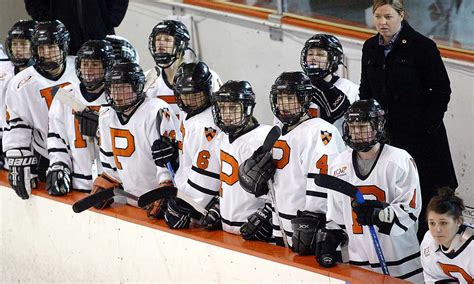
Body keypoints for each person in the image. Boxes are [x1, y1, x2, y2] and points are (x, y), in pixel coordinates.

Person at [358, 0, 458, 241]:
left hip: (422, 139)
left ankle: (431, 246)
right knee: (395, 190)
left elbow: (441, 90)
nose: (382, 22)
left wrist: (427, 126)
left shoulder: (423, 47)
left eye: (388, 17)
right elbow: (365, 91)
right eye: (378, 16)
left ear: (401, 15)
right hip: (387, 137)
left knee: (428, 191)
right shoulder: (370, 47)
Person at [316, 99, 423, 281]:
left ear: (377, 126)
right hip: (359, 260)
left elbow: (411, 209)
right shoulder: (338, 165)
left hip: (400, 262)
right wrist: (331, 237)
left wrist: (380, 214)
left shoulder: (399, 160)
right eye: (352, 126)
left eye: (363, 126)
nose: (357, 133)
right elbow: (337, 216)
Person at [239, 71, 345, 251]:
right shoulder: (277, 132)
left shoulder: (319, 131)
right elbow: (278, 184)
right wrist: (267, 206)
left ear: (305, 99)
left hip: (310, 228)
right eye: (280, 98)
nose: (283, 104)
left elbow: (321, 182)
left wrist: (314, 220)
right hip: (281, 224)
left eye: (290, 98)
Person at [3, 20, 79, 200]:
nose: (46, 54)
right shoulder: (21, 82)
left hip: (87, 153)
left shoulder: (80, 68)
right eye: (41, 48)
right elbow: (17, 123)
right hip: (46, 156)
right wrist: (18, 160)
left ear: (63, 46)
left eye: (51, 47)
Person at [93, 62, 180, 209]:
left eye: (123, 88)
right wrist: (109, 180)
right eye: (113, 88)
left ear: (138, 87)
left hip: (158, 200)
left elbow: (166, 158)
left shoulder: (156, 110)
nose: (117, 94)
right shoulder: (106, 115)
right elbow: (109, 160)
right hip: (129, 201)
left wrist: (165, 188)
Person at [151, 62, 222, 229]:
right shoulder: (187, 112)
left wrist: (186, 205)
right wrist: (174, 152)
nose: (189, 99)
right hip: (185, 191)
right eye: (184, 94)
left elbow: (206, 177)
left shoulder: (206, 125)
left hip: (202, 211)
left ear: (207, 91)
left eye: (196, 94)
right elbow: (190, 155)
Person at [46, 40, 114, 195]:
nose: (89, 70)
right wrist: (59, 164)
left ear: (107, 67)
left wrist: (101, 129)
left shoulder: (117, 97)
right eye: (85, 64)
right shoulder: (65, 96)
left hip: (112, 188)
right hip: (76, 185)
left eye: (95, 65)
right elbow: (57, 138)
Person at [210, 80, 273, 236]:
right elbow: (226, 183)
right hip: (226, 230)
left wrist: (267, 215)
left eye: (233, 108)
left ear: (247, 109)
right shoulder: (221, 139)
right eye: (223, 108)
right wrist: (218, 206)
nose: (227, 114)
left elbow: (280, 189)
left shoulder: (265, 139)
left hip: (254, 232)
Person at [145, 20, 221, 116]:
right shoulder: (147, 79)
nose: (161, 43)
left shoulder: (206, 75)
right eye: (158, 39)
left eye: (167, 40)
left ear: (181, 44)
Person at [300, 34, 359, 134]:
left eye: (320, 54)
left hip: (339, 148)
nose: (313, 58)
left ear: (334, 59)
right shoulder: (298, 87)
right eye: (310, 54)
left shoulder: (352, 90)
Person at [24, 0, 129, 55]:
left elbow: (119, 3)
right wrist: (49, 23)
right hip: (60, 39)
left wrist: (108, 20)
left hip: (100, 34)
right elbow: (34, 3)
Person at [1, 20, 38, 168]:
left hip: (40, 144)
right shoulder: (5, 75)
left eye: (23, 44)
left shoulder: (43, 77)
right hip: (11, 142)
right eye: (14, 44)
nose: (17, 49)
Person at [421, 187, 473, 283]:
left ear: (459, 221)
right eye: (432, 223)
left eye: (443, 223)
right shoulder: (428, 241)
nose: (437, 230)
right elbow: (431, 278)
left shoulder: (472, 249)